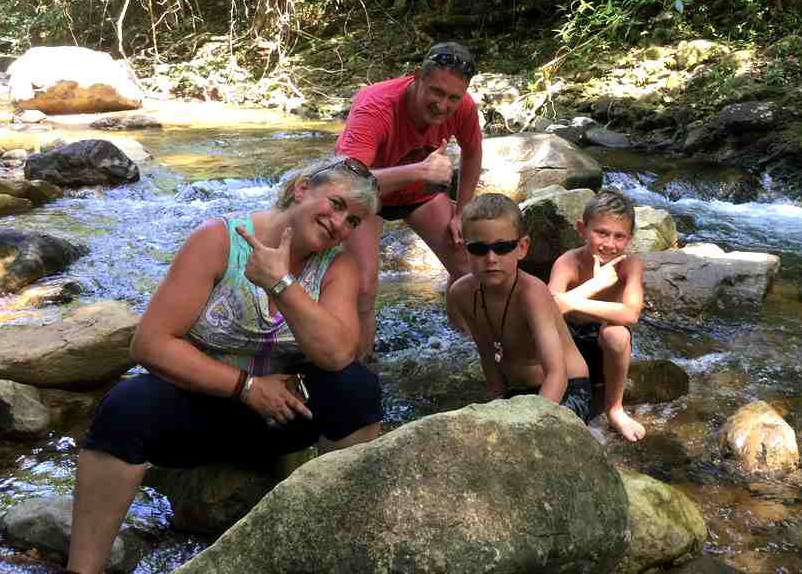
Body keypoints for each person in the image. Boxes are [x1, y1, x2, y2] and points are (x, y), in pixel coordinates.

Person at [66, 156, 384, 574]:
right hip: (200, 408)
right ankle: (83, 568)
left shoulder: (337, 265)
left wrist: (281, 284)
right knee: (125, 405)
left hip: (282, 417)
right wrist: (247, 387)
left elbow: (338, 354)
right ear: (303, 188)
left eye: (354, 221)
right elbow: (149, 344)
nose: (340, 224)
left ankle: (336, 546)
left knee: (358, 388)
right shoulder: (219, 239)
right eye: (337, 204)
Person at [336, 41, 484, 358]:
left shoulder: (464, 107)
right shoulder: (375, 107)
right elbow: (344, 180)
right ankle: (361, 364)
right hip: (365, 194)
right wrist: (419, 170)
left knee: (466, 262)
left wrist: (463, 212)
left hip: (419, 191)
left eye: (453, 98)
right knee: (363, 285)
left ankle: (461, 350)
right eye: (436, 92)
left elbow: (473, 153)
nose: (443, 106)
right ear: (416, 76)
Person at [447, 193, 592, 421]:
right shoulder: (462, 294)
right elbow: (487, 354)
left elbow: (557, 373)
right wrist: (496, 403)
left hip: (566, 387)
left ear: (522, 247)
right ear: (465, 249)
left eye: (503, 247)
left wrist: (530, 423)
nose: (491, 258)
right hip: (517, 389)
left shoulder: (532, 294)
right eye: (478, 249)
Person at [548, 189, 647, 441]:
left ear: (629, 238)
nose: (609, 244)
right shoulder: (568, 262)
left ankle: (615, 408)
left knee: (617, 333)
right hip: (569, 347)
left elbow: (631, 314)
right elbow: (546, 311)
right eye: (601, 232)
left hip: (604, 349)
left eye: (619, 236)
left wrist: (572, 302)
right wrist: (593, 286)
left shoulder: (630, 265)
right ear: (582, 229)